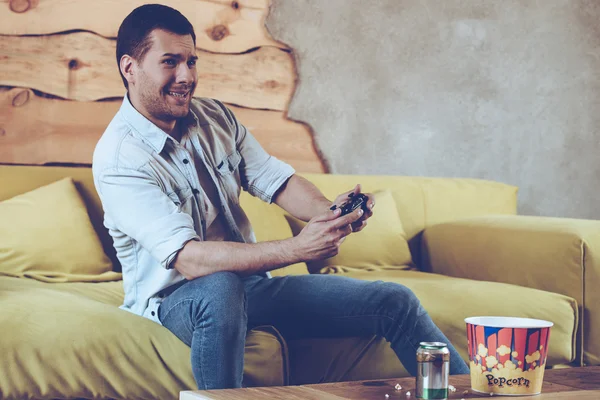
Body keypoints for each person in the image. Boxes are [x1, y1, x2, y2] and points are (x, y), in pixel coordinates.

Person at [92, 3, 470, 390]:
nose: (186, 76)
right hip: (175, 301)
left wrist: (331, 213)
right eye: (170, 62)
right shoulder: (120, 158)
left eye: (192, 61)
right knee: (219, 287)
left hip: (251, 287)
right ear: (129, 68)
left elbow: (276, 180)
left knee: (396, 301)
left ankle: (470, 399)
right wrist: (297, 248)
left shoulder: (215, 118)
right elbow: (190, 259)